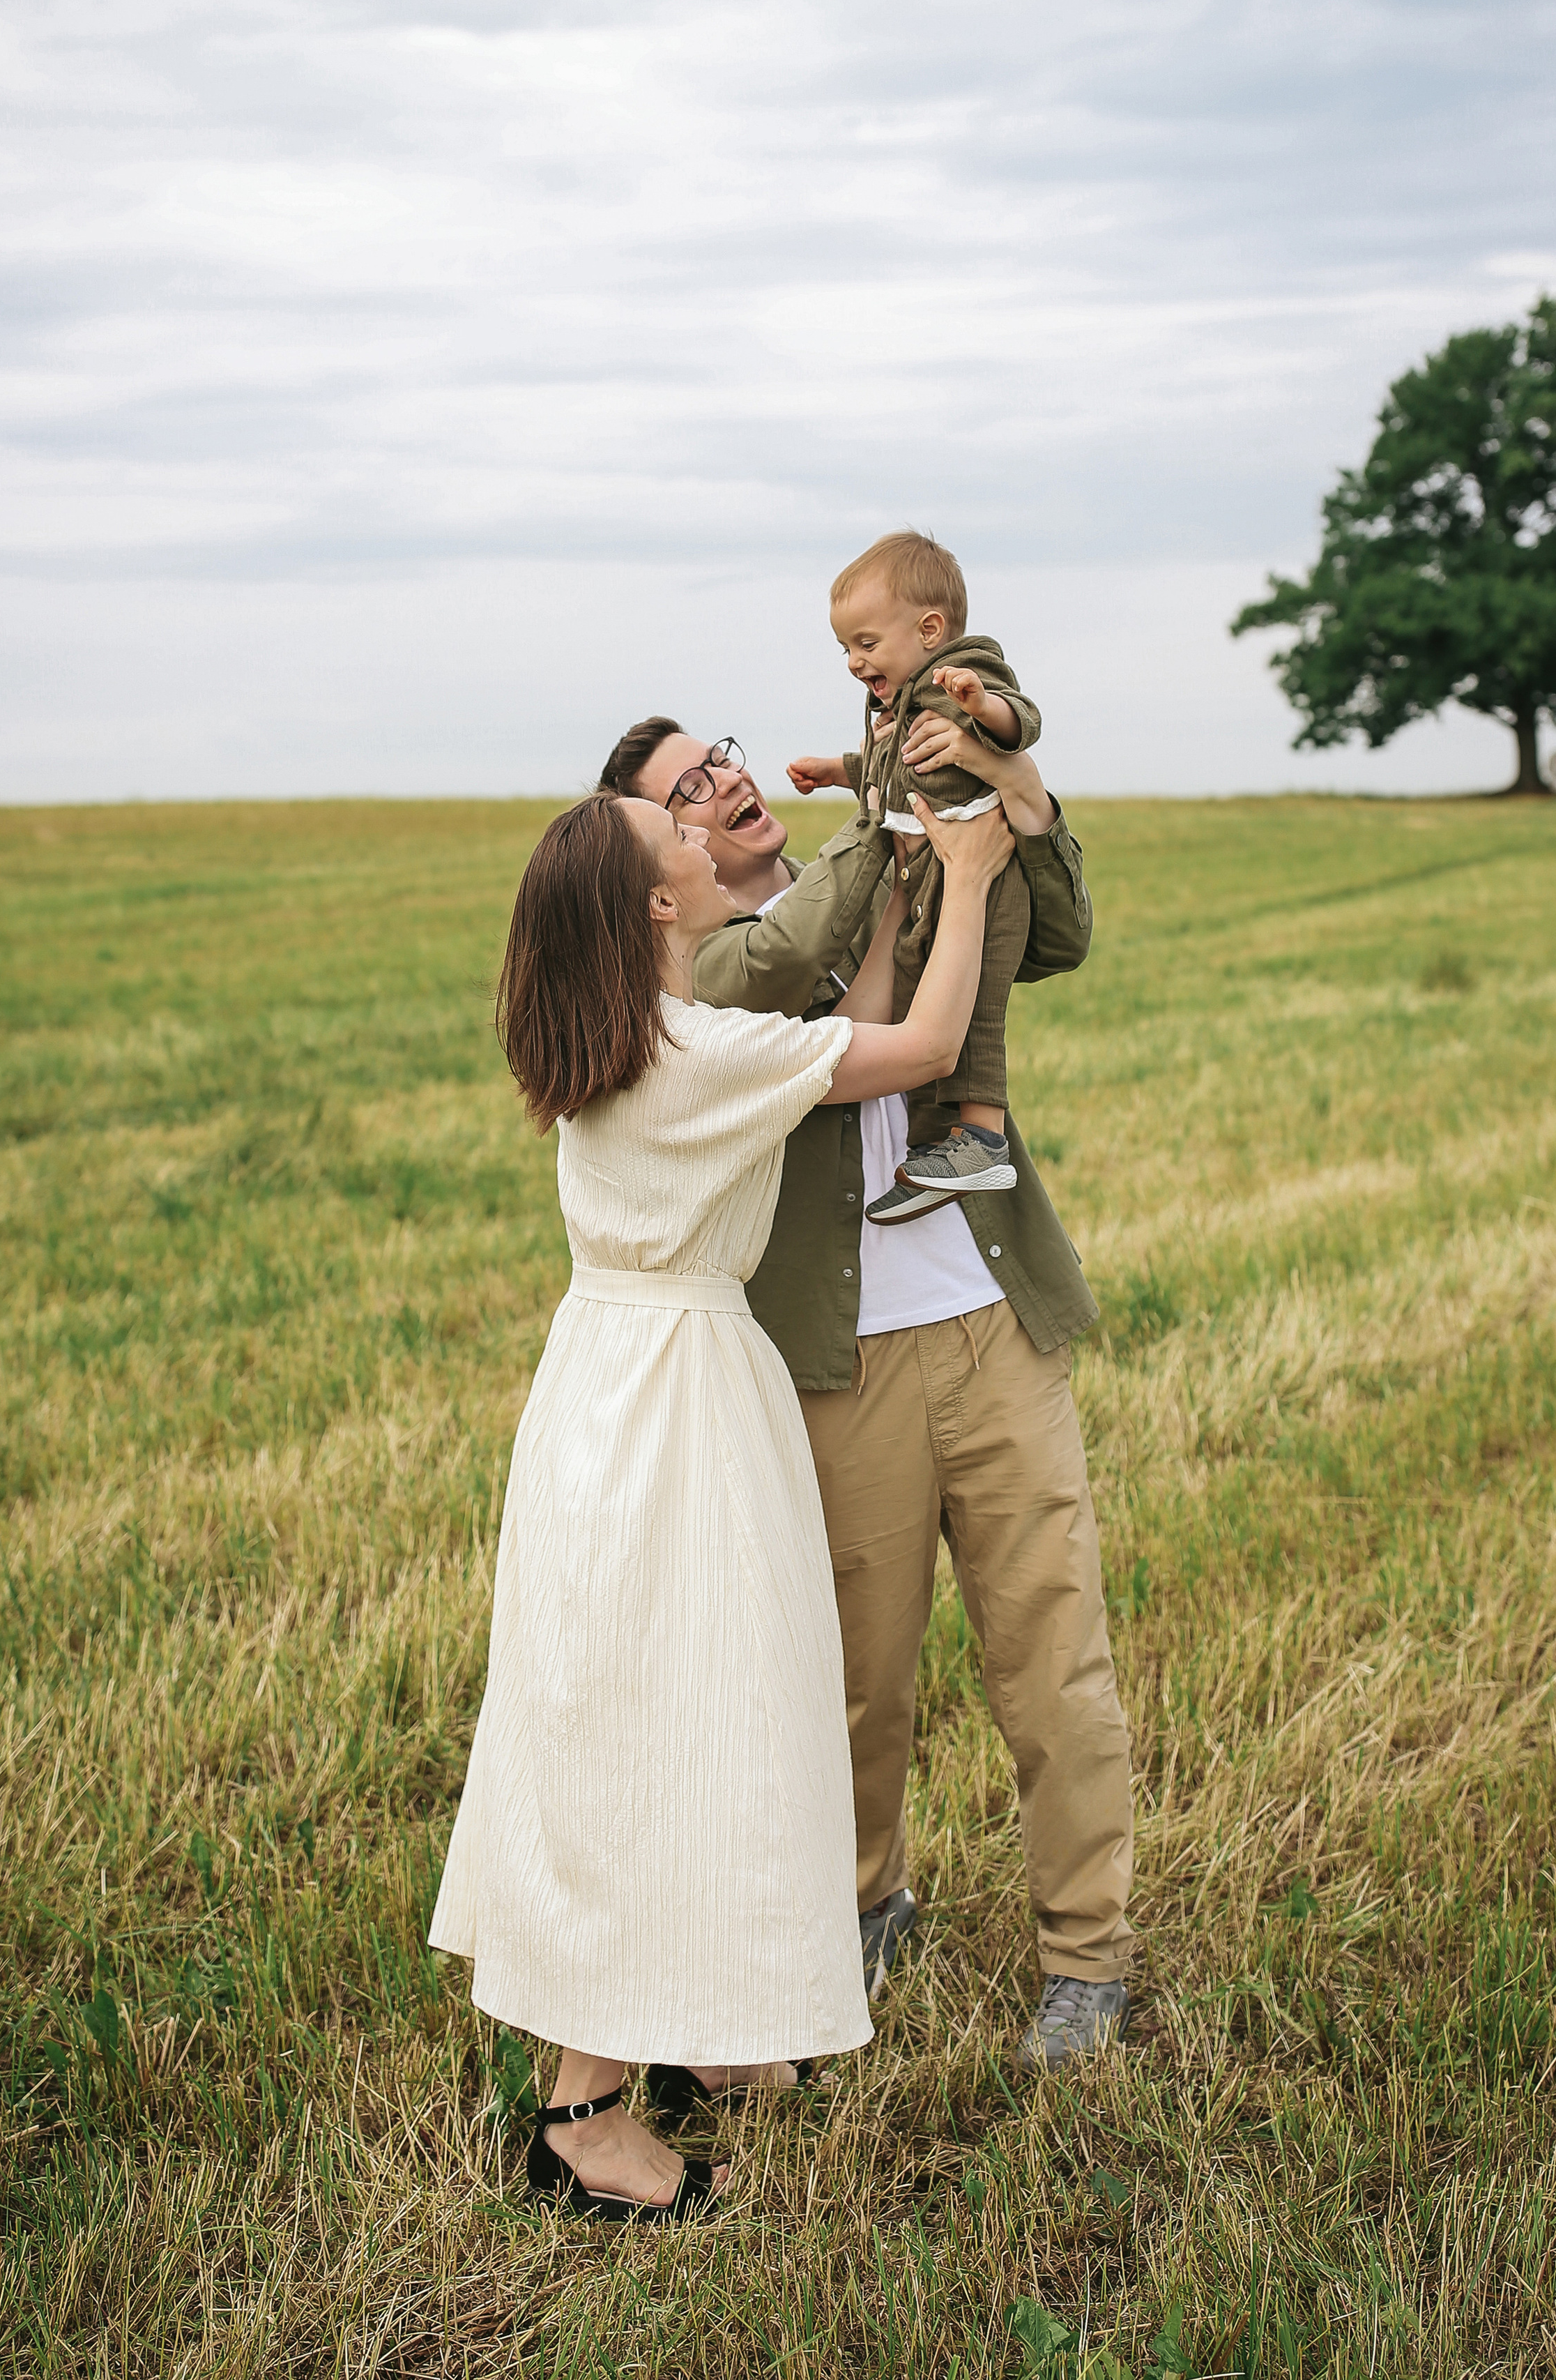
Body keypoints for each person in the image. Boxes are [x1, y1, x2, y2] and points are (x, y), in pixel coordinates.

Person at [427, 785, 1014, 2220]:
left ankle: (707, 2029)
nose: (699, 833)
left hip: (610, 1380)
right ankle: (583, 2108)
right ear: (657, 902)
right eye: (670, 834)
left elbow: (845, 1042)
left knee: (672, 1710)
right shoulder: (690, 1048)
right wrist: (978, 871)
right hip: (676, 1400)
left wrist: (880, 892)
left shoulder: (638, 1038)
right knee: (662, 1721)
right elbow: (925, 1048)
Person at [600, 714, 1136, 2074]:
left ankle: (1086, 1956)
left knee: (1054, 1659)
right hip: (838, 1363)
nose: (720, 781)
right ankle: (861, 1897)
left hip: (994, 1319)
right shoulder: (709, 968)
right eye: (684, 790)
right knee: (853, 1680)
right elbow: (806, 953)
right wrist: (901, 817)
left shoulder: (879, 862)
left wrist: (1012, 791)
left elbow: (1054, 932)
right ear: (661, 855)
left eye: (718, 754)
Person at [787, 531, 1040, 1225]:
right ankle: (937, 1149)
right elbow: (890, 770)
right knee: (919, 995)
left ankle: (981, 1134)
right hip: (928, 875)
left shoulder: (962, 669)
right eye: (844, 647)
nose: (853, 661)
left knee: (976, 1003)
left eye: (864, 642)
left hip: (986, 872)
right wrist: (840, 770)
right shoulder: (896, 707)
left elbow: (1021, 724)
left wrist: (979, 704)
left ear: (929, 629)